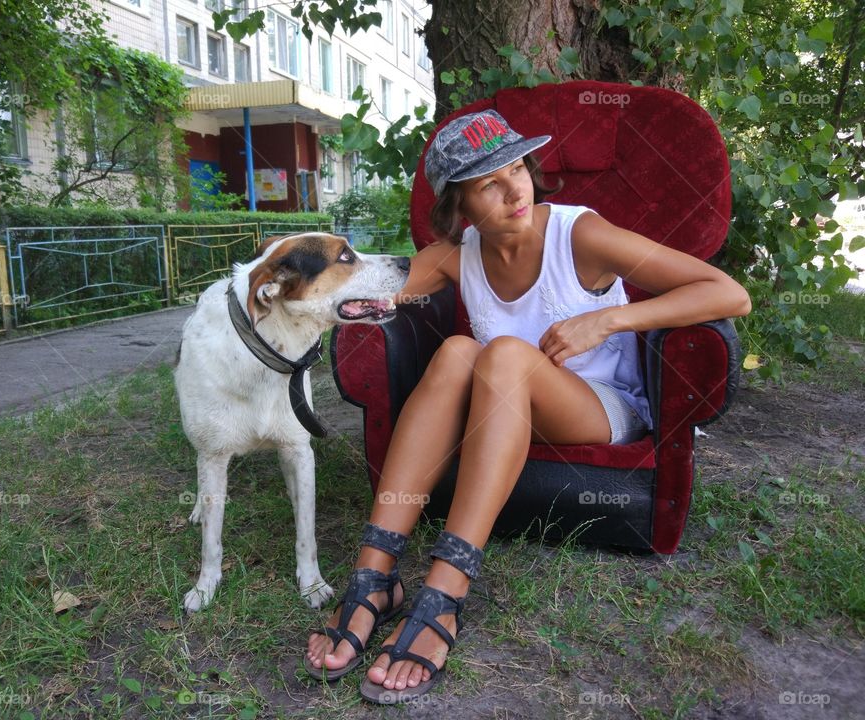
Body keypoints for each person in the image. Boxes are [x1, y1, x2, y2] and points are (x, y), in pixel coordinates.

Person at [304, 109, 751, 704]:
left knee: (504, 354)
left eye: (516, 167)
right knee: (462, 350)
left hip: (602, 407)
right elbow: (371, 294)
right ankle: (374, 578)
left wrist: (609, 318)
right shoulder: (456, 255)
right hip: (506, 407)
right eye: (489, 182)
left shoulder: (580, 235)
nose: (514, 188)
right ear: (459, 206)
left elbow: (728, 293)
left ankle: (446, 589)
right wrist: (270, 294)